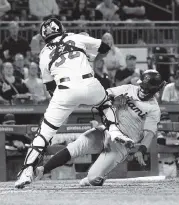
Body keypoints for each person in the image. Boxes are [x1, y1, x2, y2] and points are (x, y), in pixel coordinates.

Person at [15, 17, 134, 189]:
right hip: (89, 83)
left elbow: (50, 87)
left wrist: (65, 102)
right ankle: (114, 131)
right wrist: (88, 58)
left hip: (64, 89)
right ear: (61, 29)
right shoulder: (75, 37)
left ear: (44, 36)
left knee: (43, 134)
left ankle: (26, 171)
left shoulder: (43, 53)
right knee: (105, 103)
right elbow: (105, 47)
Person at [35, 70, 165, 186]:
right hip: (106, 131)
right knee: (76, 146)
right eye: (142, 86)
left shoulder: (153, 109)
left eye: (147, 89)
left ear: (154, 90)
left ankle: (99, 176)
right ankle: (43, 169)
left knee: (92, 179)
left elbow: (149, 133)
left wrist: (141, 150)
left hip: (121, 144)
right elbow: (103, 95)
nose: (142, 90)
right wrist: (115, 100)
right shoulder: (128, 88)